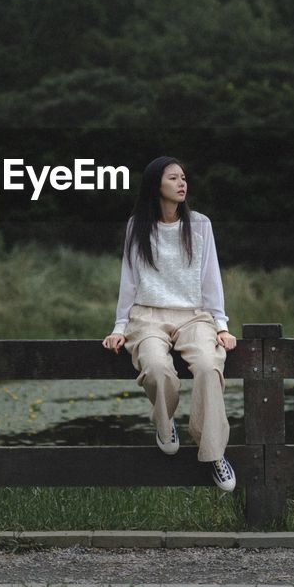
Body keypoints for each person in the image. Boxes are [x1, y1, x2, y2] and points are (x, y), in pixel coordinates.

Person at [101, 156, 238, 491]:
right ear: (155, 185)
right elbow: (129, 281)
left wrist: (220, 324)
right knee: (157, 368)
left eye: (184, 178)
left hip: (194, 316)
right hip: (147, 315)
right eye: (173, 178)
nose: (182, 184)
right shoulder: (138, 226)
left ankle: (214, 450)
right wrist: (119, 329)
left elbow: (210, 280)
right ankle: (164, 423)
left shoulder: (201, 225)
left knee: (208, 366)